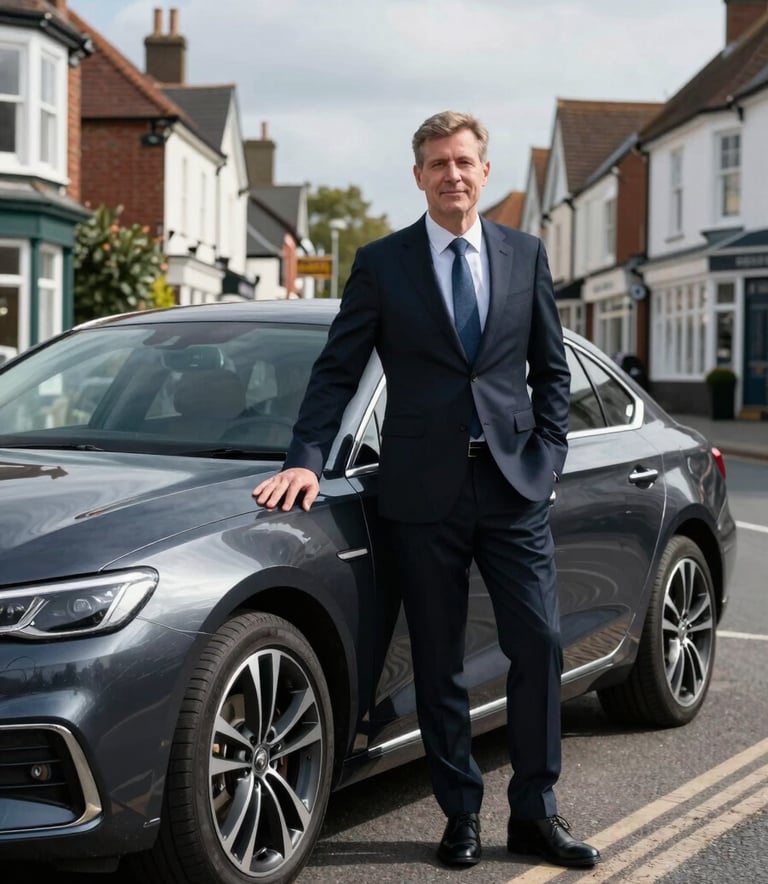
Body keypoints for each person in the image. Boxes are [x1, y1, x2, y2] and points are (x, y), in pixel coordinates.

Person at [253, 110, 600, 870]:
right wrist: (308, 455)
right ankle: (461, 814)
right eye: (438, 163)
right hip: (420, 491)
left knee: (538, 643)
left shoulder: (524, 254)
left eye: (465, 161)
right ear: (418, 175)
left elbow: (552, 371)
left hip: (512, 485)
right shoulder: (383, 263)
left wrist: (548, 456)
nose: (452, 174)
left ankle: (537, 812)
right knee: (438, 657)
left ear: (485, 171)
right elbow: (337, 371)